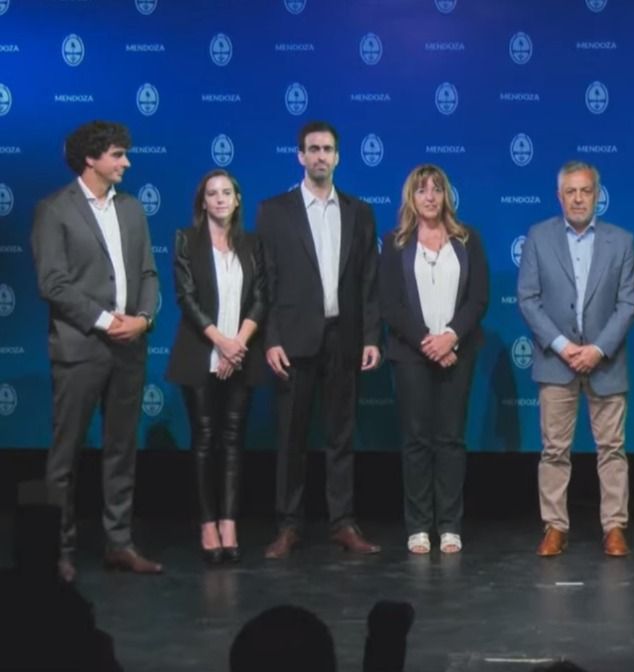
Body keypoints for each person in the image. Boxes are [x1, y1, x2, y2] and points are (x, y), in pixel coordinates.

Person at [30, 120, 164, 581]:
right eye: (118, 155)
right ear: (91, 158)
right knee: (65, 456)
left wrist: (143, 320)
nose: (126, 162)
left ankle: (119, 544)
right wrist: (109, 322)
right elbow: (53, 283)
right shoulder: (54, 210)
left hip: (130, 349)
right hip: (81, 348)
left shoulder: (131, 210)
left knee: (121, 451)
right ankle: (59, 549)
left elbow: (148, 273)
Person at [258, 120, 382, 559]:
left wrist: (370, 335)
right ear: (299, 156)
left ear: (338, 157)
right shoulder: (274, 211)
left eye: (328, 149)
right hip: (292, 342)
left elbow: (369, 280)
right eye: (312, 149)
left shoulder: (359, 211)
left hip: (343, 338)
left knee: (341, 437)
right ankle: (289, 526)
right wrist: (270, 338)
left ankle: (342, 523)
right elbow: (265, 283)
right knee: (291, 439)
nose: (320, 157)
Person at [517, 161, 634, 558]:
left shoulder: (621, 241)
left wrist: (597, 349)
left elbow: (627, 304)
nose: (578, 198)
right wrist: (562, 345)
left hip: (605, 361)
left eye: (586, 191)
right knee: (554, 450)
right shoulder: (538, 237)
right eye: (570, 191)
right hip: (557, 361)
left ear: (597, 195)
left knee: (612, 449)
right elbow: (528, 300)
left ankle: (615, 528)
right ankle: (555, 527)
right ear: (559, 196)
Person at [378, 164, 489, 555]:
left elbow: (478, 298)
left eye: (437, 189)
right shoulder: (395, 242)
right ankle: (419, 526)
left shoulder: (467, 239)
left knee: (451, 439)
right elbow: (390, 303)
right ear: (411, 196)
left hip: (457, 353)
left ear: (446, 196)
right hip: (411, 355)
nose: (430, 196)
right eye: (422, 190)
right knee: (416, 441)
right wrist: (427, 342)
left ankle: (450, 525)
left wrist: (450, 338)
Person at [165, 169, 266, 565]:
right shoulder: (186, 241)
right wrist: (220, 343)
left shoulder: (253, 243)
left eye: (227, 192)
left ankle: (229, 523)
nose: (220, 199)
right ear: (202, 202)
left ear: (237, 199)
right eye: (213, 193)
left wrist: (237, 343)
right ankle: (207, 524)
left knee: (233, 441)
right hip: (199, 353)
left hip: (241, 354)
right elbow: (186, 298)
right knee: (205, 441)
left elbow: (261, 297)